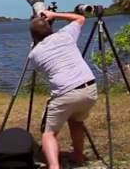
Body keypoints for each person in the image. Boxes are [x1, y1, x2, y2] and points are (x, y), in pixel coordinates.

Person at [27, 9, 98, 169]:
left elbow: (40, 65)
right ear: (50, 27)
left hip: (66, 93)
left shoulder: (34, 54)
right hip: (89, 88)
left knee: (49, 133)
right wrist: (55, 15)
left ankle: (54, 166)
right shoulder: (65, 35)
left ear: (33, 35)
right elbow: (80, 18)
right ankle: (78, 157)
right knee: (77, 122)